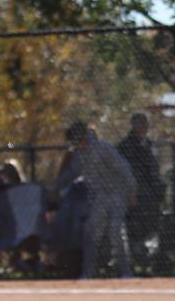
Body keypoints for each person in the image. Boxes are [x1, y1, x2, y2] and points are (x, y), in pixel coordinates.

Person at [57, 121, 137, 280]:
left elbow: (124, 169)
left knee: (115, 230)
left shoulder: (103, 148)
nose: (76, 145)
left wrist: (132, 192)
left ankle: (125, 271)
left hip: (117, 193)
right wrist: (54, 188)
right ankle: (88, 272)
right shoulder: (79, 154)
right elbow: (71, 173)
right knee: (90, 231)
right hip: (99, 196)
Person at [117, 112, 165, 263]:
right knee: (135, 223)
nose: (143, 127)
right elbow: (127, 172)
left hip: (151, 191)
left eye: (145, 124)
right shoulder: (126, 146)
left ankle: (149, 251)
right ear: (133, 125)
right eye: (139, 124)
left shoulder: (150, 144)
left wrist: (158, 186)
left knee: (153, 221)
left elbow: (155, 168)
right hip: (135, 191)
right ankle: (136, 252)